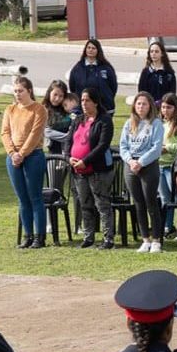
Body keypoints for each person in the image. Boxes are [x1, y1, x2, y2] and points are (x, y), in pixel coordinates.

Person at [1, 76, 48, 249]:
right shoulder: (10, 109)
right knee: (22, 199)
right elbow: (5, 133)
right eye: (15, 91)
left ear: (29, 90)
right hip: (13, 157)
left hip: (33, 156)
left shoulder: (39, 109)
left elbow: (35, 135)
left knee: (35, 196)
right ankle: (27, 235)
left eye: (20, 91)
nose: (17, 94)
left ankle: (39, 236)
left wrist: (22, 153)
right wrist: (12, 153)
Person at [69, 87, 116, 249]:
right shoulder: (78, 120)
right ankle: (88, 237)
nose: (84, 103)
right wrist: (70, 157)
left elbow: (102, 145)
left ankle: (108, 238)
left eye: (87, 100)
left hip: (98, 170)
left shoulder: (104, 120)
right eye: (82, 100)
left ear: (95, 102)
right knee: (85, 203)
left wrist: (85, 160)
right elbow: (69, 140)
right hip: (78, 170)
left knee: (101, 204)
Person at [120, 92, 166, 253]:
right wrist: (131, 160)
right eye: (138, 104)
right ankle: (145, 238)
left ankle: (156, 239)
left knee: (150, 202)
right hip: (131, 166)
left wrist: (141, 162)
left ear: (150, 106)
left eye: (144, 104)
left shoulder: (156, 124)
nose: (141, 107)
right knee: (138, 203)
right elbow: (123, 146)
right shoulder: (129, 123)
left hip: (148, 166)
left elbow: (156, 147)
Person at [157, 93, 177, 238]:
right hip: (160, 165)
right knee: (165, 199)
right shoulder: (159, 124)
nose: (165, 110)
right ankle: (167, 226)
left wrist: (167, 148)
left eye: (169, 107)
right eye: (163, 107)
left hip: (174, 166)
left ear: (176, 108)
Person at [69, 39, 119, 114]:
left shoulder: (106, 67)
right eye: (88, 48)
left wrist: (107, 97)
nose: (90, 50)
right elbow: (72, 87)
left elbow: (113, 86)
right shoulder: (78, 68)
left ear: (98, 50)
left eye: (93, 48)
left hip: (104, 107)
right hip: (82, 109)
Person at [42, 80, 74, 155]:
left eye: (61, 96)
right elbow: (47, 132)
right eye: (55, 95)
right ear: (49, 93)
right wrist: (68, 138)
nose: (57, 99)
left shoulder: (67, 108)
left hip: (69, 150)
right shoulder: (43, 109)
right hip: (53, 151)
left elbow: (75, 121)